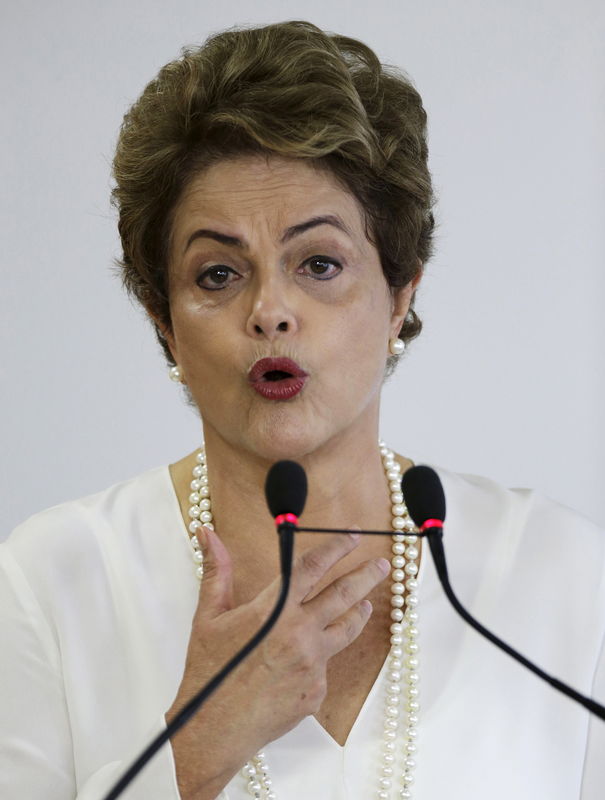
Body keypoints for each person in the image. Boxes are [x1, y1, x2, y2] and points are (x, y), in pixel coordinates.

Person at [0, 20, 603, 800]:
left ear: (398, 297)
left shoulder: (560, 576)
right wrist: (200, 746)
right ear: (164, 323)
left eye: (318, 263)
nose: (270, 311)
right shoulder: (54, 581)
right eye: (218, 274)